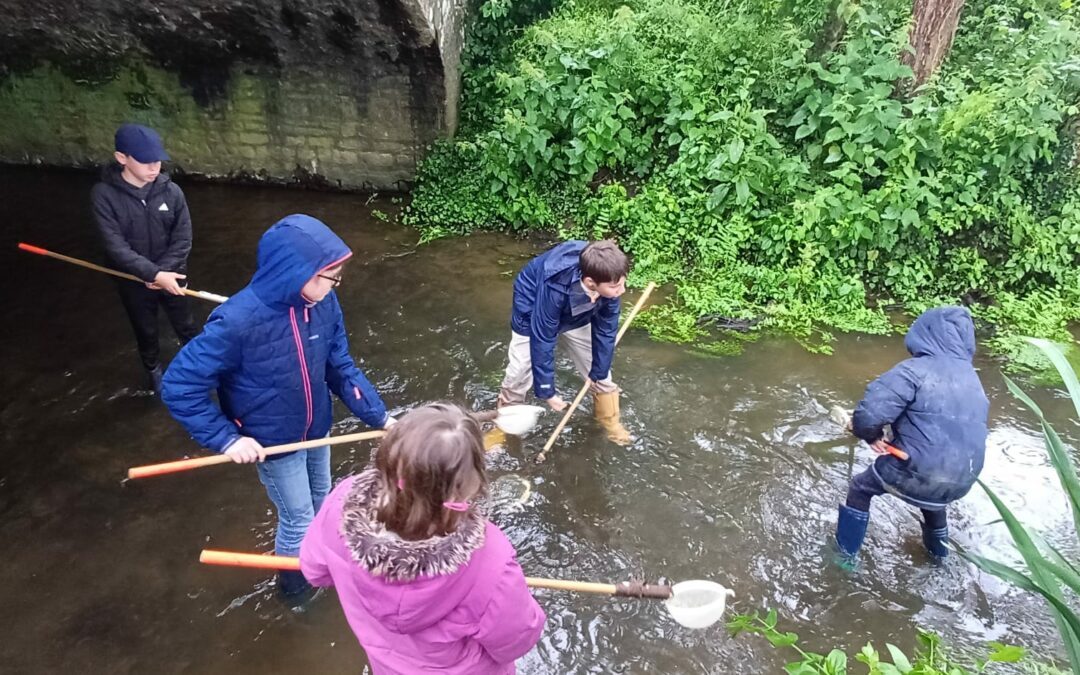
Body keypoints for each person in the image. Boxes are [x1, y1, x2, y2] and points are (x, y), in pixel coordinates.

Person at [162, 214, 395, 598]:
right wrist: (227, 440)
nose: (336, 284)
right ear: (294, 271)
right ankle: (294, 591)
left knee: (324, 501)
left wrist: (383, 417)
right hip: (272, 442)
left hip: (316, 429)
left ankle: (322, 569)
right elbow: (179, 386)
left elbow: (340, 367)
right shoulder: (236, 321)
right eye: (329, 275)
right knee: (299, 517)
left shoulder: (324, 302)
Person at [300, 402, 546, 674]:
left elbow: (314, 571)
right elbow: (517, 641)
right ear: (467, 486)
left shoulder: (341, 504)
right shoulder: (491, 560)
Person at [835, 306, 989, 562]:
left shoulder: (914, 370)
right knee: (934, 501)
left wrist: (870, 435)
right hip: (965, 477)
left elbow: (871, 413)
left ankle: (845, 560)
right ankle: (939, 558)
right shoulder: (974, 382)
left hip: (915, 466)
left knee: (861, 488)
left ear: (924, 332)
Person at [91, 123, 197, 393]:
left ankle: (200, 366)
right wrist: (151, 274)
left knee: (186, 325)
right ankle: (153, 372)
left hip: (173, 274)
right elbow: (116, 247)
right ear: (122, 158)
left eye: (158, 161)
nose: (154, 168)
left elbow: (183, 237)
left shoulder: (172, 192)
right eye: (146, 162)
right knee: (146, 330)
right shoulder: (103, 196)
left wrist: (163, 272)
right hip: (133, 280)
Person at [498, 240, 631, 444]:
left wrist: (598, 370)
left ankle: (610, 421)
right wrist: (547, 391)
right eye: (616, 286)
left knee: (601, 373)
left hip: (580, 310)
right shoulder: (555, 285)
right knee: (520, 370)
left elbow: (606, 331)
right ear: (590, 283)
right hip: (533, 304)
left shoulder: (609, 277)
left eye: (623, 282)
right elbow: (543, 337)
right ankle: (503, 427)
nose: (622, 290)